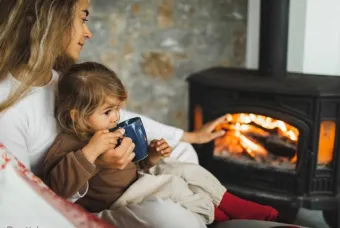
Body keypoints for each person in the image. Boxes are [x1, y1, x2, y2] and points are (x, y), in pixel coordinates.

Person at [0, 1, 298, 227]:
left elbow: (121, 117)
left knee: (182, 155)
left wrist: (186, 137)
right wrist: (96, 161)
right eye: (83, 18)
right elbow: (28, 200)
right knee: (168, 210)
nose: (88, 32)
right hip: (91, 204)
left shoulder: (56, 80)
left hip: (126, 178)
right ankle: (210, 212)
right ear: (53, 19)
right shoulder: (9, 105)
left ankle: (216, 207)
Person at [44, 62, 278, 225]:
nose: (116, 117)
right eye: (108, 111)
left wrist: (152, 156)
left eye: (117, 109)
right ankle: (225, 218)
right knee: (174, 186)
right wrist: (91, 152)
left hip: (138, 180)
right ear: (76, 116)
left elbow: (135, 166)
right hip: (120, 199)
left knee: (185, 170)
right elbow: (59, 188)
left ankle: (233, 203)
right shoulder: (65, 145)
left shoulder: (110, 129)